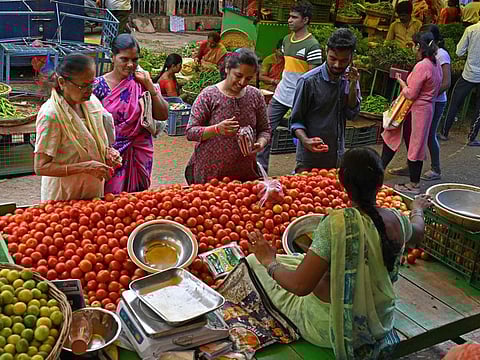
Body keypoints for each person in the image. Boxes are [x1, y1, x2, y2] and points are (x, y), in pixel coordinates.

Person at [246, 147, 432, 358]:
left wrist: (268, 261)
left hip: (330, 328)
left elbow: (300, 286)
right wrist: (417, 208)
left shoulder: (336, 224)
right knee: (294, 261)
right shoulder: (396, 219)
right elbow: (417, 232)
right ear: (380, 183)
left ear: (342, 180)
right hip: (379, 321)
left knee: (253, 262)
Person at [34, 54, 121, 201]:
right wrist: (85, 168)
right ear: (62, 82)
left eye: (92, 84)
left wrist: (108, 152)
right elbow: (41, 167)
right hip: (63, 195)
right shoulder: (51, 115)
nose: (89, 90)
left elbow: (95, 141)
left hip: (92, 192)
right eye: (83, 85)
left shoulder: (91, 102)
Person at [93, 34, 169, 193]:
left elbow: (162, 115)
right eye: (124, 59)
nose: (130, 65)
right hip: (112, 154)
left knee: (138, 201)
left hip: (139, 151)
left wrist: (149, 86)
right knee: (110, 201)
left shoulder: (141, 83)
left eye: (135, 60)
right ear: (112, 57)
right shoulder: (98, 86)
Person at [185, 48, 270, 184]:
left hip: (245, 172)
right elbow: (190, 132)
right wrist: (217, 129)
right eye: (238, 75)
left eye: (248, 78)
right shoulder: (209, 95)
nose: (242, 82)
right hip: (211, 171)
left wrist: (260, 143)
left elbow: (265, 130)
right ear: (227, 69)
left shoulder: (255, 96)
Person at [257, 1, 322, 173]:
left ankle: (300, 170)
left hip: (300, 97)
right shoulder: (286, 41)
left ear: (306, 20)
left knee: (302, 134)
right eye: (289, 16)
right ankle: (260, 168)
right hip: (281, 95)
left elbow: (312, 78)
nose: (289, 20)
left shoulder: (313, 46)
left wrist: (306, 101)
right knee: (265, 129)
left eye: (294, 17)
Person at [289, 29, 361, 172]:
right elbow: (295, 121)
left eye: (344, 60)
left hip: (337, 156)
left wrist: (353, 86)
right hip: (310, 159)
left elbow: (352, 113)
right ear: (325, 51)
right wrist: (305, 140)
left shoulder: (350, 77)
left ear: (351, 57)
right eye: (333, 58)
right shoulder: (308, 82)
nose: (337, 65)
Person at [388, 25, 451, 181]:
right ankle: (410, 169)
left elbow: (413, 92)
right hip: (426, 104)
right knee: (418, 140)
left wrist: (404, 85)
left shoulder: (431, 61)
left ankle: (430, 171)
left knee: (424, 138)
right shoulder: (432, 60)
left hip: (428, 105)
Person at [440, 20, 480, 145]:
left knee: (454, 102)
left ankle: (444, 132)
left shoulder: (471, 30)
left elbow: (459, 52)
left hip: (469, 73)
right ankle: (472, 138)